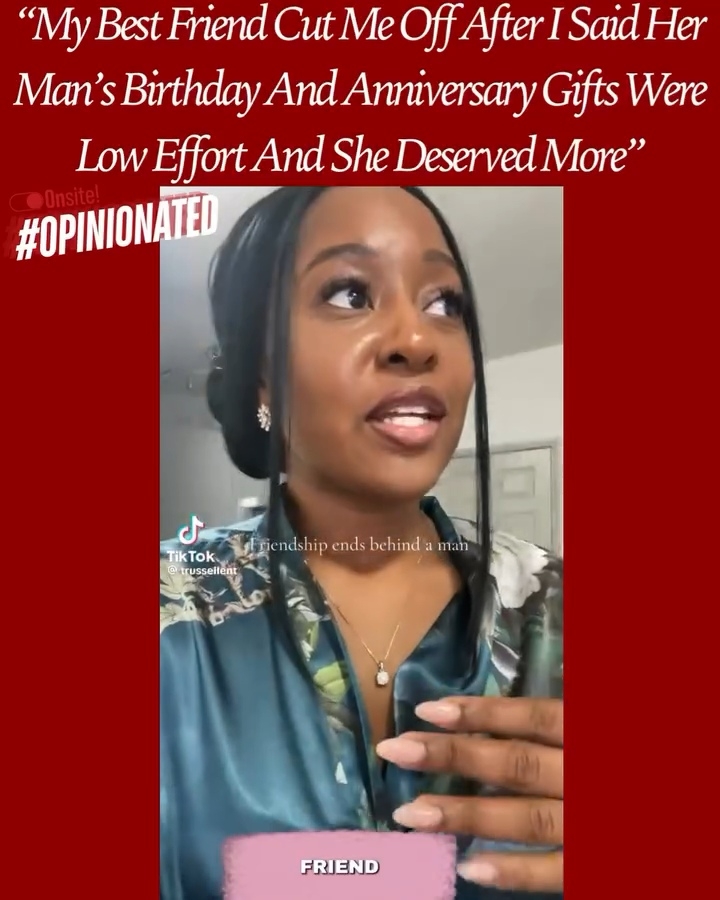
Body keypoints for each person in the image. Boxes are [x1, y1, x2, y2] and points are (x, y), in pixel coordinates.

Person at [160, 186, 563, 900]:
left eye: (445, 303)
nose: (418, 340)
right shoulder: (171, 616)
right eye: (350, 293)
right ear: (262, 379)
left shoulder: (553, 608)